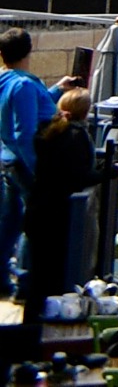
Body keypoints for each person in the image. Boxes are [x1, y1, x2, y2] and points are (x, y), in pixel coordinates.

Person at [21, 87, 94, 305]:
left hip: (37, 208)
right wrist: (111, 172)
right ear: (85, 112)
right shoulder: (76, 136)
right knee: (53, 277)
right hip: (56, 214)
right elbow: (79, 177)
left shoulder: (48, 130)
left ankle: (32, 327)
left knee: (37, 277)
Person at [0, 29, 52, 300]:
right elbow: (24, 133)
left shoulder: (6, 81)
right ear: (29, 51)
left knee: (8, 222)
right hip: (24, 165)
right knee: (33, 224)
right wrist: (38, 169)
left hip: (7, 161)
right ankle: (24, 284)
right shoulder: (23, 85)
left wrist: (56, 91)